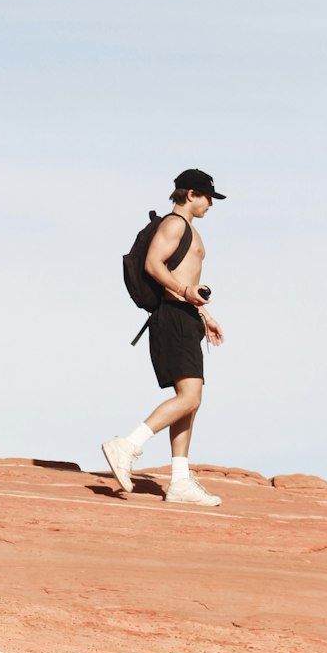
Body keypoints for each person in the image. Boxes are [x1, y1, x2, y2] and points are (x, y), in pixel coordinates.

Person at [103, 169, 226, 506]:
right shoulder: (175, 225)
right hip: (172, 318)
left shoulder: (188, 229)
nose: (211, 204)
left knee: (190, 402)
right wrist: (186, 290)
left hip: (185, 316)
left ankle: (180, 481)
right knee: (190, 397)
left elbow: (180, 276)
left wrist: (204, 315)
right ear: (190, 195)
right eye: (208, 197)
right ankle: (127, 445)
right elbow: (153, 265)